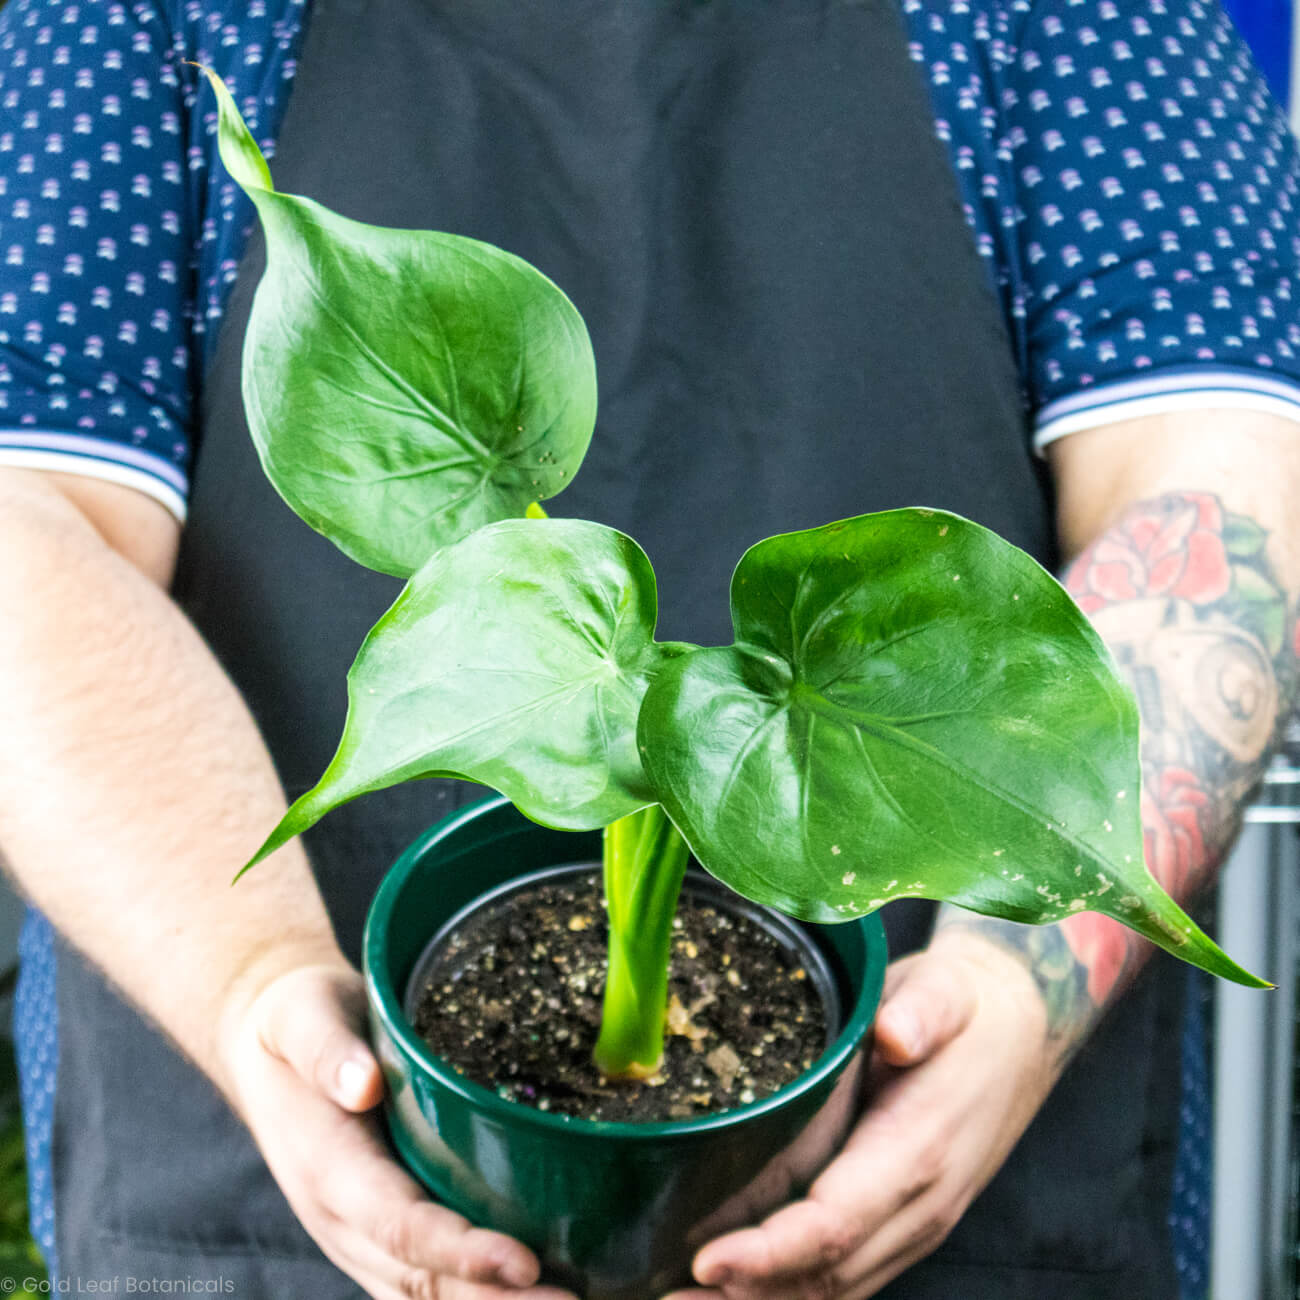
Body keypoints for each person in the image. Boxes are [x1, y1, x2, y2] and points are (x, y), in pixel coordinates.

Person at [1, 1, 1298, 1297]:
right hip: (277, 1176)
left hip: (946, 1160)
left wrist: (1024, 987)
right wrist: (255, 980)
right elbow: (28, 529)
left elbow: (1219, 461)